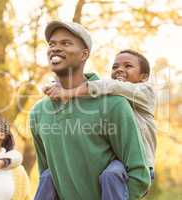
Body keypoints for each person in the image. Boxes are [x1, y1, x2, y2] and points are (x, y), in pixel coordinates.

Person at [30, 20, 151, 200]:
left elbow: (139, 174)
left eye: (66, 43)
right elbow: (47, 173)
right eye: (52, 44)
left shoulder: (114, 104)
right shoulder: (38, 112)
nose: (55, 48)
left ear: (84, 54)